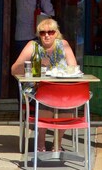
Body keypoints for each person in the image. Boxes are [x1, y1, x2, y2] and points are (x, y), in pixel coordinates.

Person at [10, 17, 79, 152]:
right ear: (38, 34)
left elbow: (74, 67)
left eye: (50, 32)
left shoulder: (63, 45)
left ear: (56, 33)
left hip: (60, 89)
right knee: (45, 101)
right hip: (38, 89)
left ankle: (57, 144)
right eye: (42, 33)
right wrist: (36, 66)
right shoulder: (33, 46)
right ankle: (40, 144)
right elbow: (14, 69)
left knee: (68, 106)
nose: (46, 35)